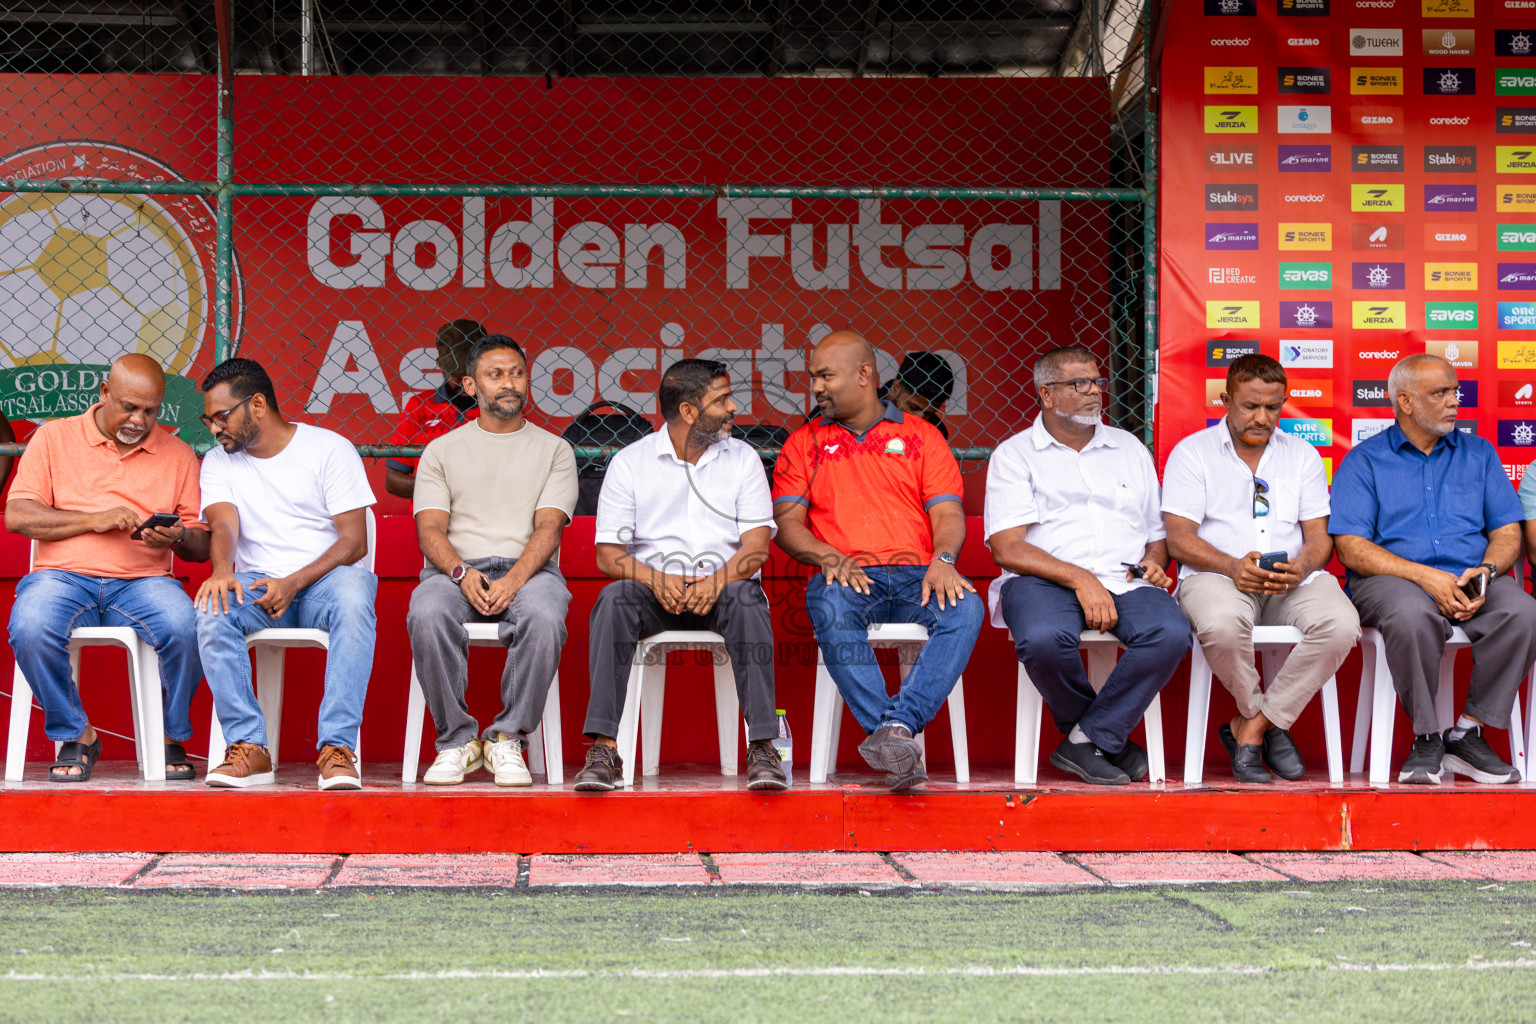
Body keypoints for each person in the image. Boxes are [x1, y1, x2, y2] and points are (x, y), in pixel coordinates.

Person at [772, 330, 982, 793]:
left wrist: (944, 559)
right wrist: (828, 555)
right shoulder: (803, 442)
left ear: (864, 374)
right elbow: (788, 527)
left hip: (918, 575)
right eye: (814, 378)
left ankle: (896, 729)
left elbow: (947, 513)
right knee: (830, 604)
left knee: (966, 607)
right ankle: (896, 735)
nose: (817, 388)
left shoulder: (922, 435)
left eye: (826, 376)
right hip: (847, 575)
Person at [574, 358, 787, 792]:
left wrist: (715, 582)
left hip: (725, 586)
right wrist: (655, 579)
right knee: (613, 599)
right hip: (653, 591)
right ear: (689, 411)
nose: (733, 407)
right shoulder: (631, 463)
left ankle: (763, 747)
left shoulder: (743, 459)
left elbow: (756, 548)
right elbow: (608, 555)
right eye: (722, 399)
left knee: (748, 601)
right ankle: (604, 749)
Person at [985, 346, 1191, 786]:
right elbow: (1007, 547)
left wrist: (1154, 563)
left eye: (1096, 382)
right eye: (1079, 384)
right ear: (1047, 394)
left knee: (1171, 633)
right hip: (1042, 581)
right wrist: (1081, 579)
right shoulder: (1015, 454)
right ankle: (1105, 739)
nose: (1094, 392)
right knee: (1042, 638)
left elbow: (1157, 535)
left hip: (1126, 579)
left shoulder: (1129, 448)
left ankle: (1086, 739)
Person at [1332, 353, 1536, 785]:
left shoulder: (1479, 454)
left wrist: (1484, 572)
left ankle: (1466, 731)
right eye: (1440, 393)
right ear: (1405, 402)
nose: (1454, 401)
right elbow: (1351, 548)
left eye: (1454, 391)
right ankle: (1426, 736)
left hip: (1469, 578)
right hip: (1391, 581)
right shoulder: (1364, 460)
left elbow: (1507, 533)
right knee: (1410, 615)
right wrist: (1425, 577)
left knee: (1523, 612)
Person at [5, 355, 209, 782]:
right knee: (30, 624)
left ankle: (168, 735)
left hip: (143, 581)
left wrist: (176, 537)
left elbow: (200, 543)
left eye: (150, 410)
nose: (139, 420)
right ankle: (76, 732)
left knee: (187, 625)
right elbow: (18, 516)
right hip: (62, 577)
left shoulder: (178, 454)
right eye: (129, 407)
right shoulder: (53, 438)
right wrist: (90, 519)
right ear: (103, 393)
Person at [1162, 354, 1360, 783]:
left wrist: (1303, 564)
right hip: (1218, 577)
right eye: (1250, 406)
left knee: (1342, 624)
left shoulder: (1301, 454)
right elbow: (1178, 539)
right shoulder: (1193, 453)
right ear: (1226, 400)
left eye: (1273, 407)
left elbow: (1319, 537)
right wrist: (1232, 566)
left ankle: (1251, 728)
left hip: (1292, 580)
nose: (1262, 417)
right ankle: (1265, 721)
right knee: (1220, 625)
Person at [194, 358, 377, 791]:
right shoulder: (219, 461)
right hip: (259, 586)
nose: (215, 429)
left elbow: (355, 542)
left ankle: (337, 748)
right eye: (209, 420)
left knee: (355, 594)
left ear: (257, 404)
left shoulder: (329, 448)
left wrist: (294, 582)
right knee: (212, 608)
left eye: (222, 417)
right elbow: (223, 524)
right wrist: (222, 570)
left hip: (324, 584)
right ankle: (249, 747)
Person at [406, 334, 577, 787]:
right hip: (456, 568)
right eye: (495, 374)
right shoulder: (441, 450)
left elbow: (549, 528)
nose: (509, 384)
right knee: (427, 611)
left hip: (531, 569)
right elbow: (430, 531)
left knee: (543, 614)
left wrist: (515, 580)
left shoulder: (554, 449)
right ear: (470, 386)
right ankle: (457, 741)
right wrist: (462, 573)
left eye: (517, 373)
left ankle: (507, 739)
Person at [384, 319, 485, 500]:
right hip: (432, 517)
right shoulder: (419, 405)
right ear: (441, 366)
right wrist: (445, 491)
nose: (464, 381)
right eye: (457, 373)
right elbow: (393, 480)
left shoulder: (499, 408)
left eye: (469, 372)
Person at [879, 352, 956, 438]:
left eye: (928, 413)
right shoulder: (863, 408)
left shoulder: (936, 431)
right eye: (914, 408)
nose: (920, 418)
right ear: (895, 388)